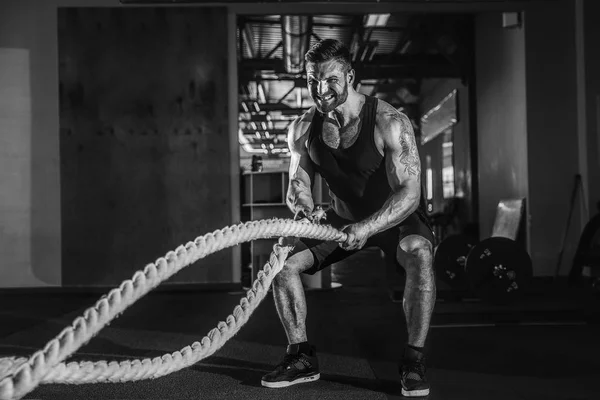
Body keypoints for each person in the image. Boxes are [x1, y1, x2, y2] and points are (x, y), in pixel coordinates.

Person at [260, 39, 436, 397]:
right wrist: (304, 208)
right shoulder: (302, 128)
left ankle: (413, 360)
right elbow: (299, 181)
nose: (320, 90)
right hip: (341, 221)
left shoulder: (389, 122)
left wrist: (368, 226)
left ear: (350, 76)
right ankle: (301, 356)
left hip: (394, 220)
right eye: (312, 81)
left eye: (330, 80)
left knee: (419, 253)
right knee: (283, 264)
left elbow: (409, 192)